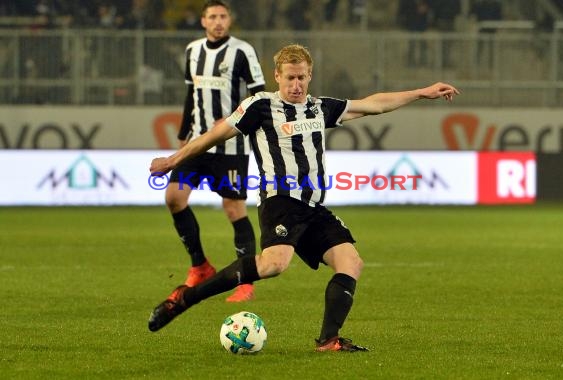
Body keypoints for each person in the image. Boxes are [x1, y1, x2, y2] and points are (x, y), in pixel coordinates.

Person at [148, 44, 459, 351]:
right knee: (274, 265)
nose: (296, 85)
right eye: (290, 78)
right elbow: (213, 136)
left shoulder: (319, 107)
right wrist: (173, 160)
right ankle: (185, 298)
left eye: (302, 78)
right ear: (277, 77)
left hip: (312, 207)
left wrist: (423, 92)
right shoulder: (259, 107)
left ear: (310, 76)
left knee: (350, 262)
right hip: (280, 201)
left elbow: (373, 104)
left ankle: (328, 341)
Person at [165, 0, 265, 302]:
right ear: (203, 21)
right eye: (212, 16)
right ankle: (200, 266)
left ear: (229, 20)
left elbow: (259, 96)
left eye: (223, 16)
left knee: (234, 209)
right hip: (197, 143)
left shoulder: (243, 51)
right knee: (174, 198)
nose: (218, 21)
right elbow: (190, 96)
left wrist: (245, 123)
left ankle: (245, 281)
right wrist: (183, 136)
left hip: (230, 146)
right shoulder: (192, 51)